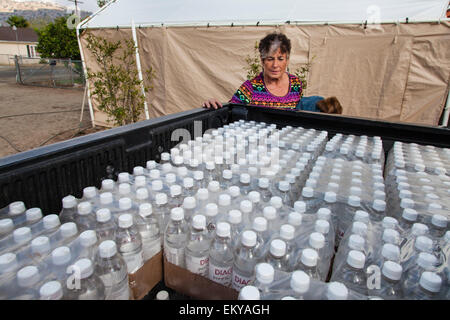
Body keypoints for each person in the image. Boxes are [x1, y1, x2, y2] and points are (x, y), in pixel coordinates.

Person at [203, 32, 342, 114]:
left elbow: (299, 110)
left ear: (286, 60)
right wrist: (213, 105)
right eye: (270, 59)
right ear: (262, 61)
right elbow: (230, 113)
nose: (275, 65)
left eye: (280, 59)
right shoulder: (250, 88)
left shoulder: (295, 84)